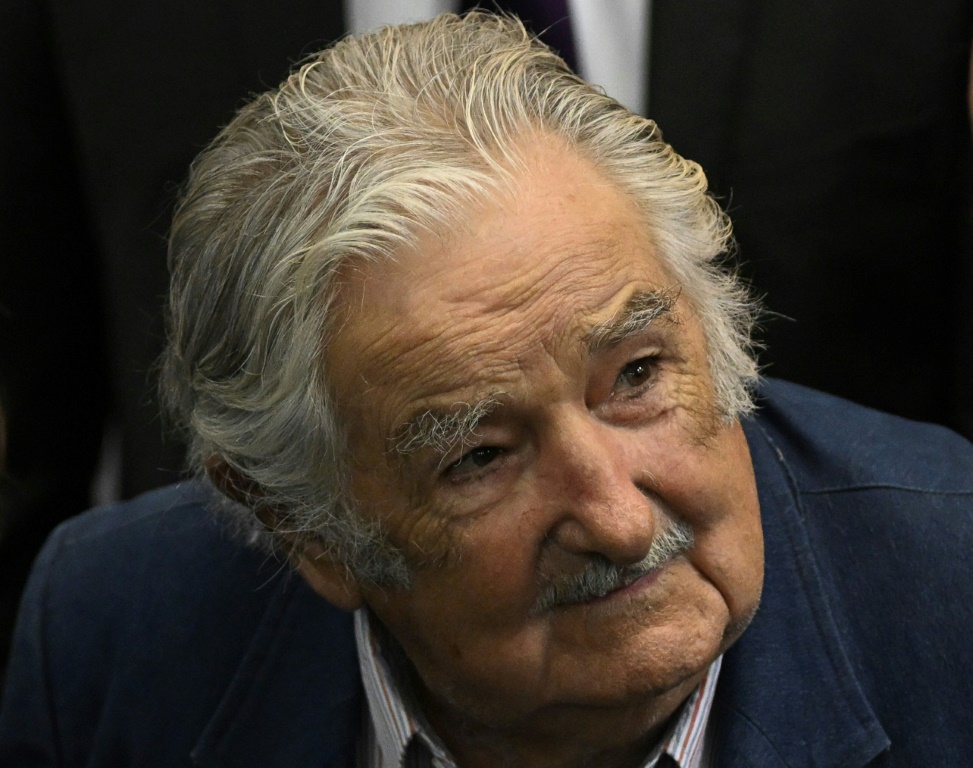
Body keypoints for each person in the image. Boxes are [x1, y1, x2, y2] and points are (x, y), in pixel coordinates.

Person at [2, 13, 972, 767]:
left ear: (719, 340)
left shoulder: (951, 585)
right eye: (479, 457)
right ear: (303, 528)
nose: (619, 522)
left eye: (636, 377)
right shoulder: (108, 632)